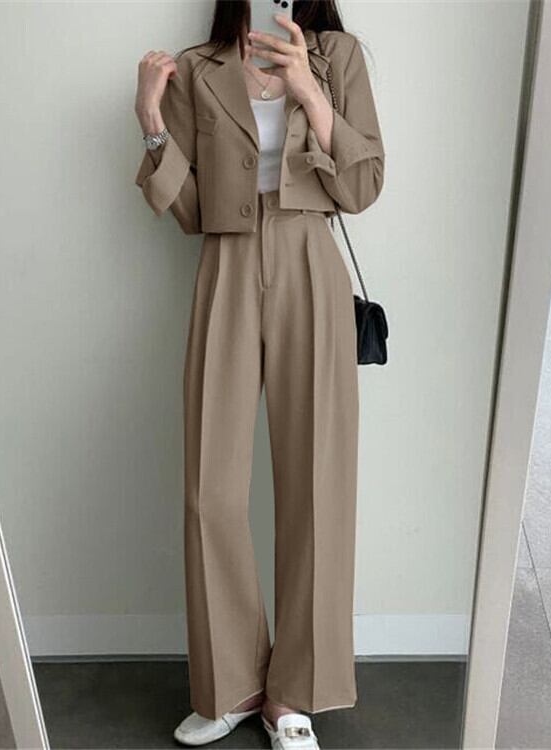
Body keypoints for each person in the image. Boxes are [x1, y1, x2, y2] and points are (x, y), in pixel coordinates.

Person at [134, 2, 384, 747]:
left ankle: (294, 694)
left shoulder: (338, 56)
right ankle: (234, 683)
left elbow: (364, 186)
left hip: (310, 257)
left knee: (317, 485)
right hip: (227, 259)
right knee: (209, 488)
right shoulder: (199, 67)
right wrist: (150, 118)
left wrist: (308, 90)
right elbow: (189, 210)